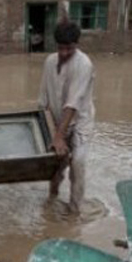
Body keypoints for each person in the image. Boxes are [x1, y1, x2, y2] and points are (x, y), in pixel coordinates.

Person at [38, 20, 95, 214]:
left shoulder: (84, 64)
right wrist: (50, 132)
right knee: (55, 162)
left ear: (76, 45)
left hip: (80, 122)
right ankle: (52, 196)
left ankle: (74, 209)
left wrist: (59, 136)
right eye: (60, 48)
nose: (63, 53)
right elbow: (43, 101)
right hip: (55, 120)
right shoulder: (49, 62)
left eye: (69, 48)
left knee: (77, 162)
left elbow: (73, 104)